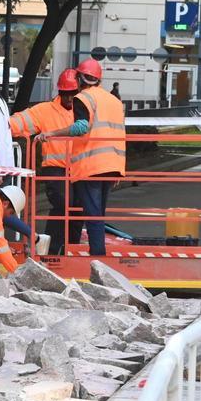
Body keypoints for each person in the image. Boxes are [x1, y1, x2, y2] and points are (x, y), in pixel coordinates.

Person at [56, 58, 125, 256]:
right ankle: (98, 256)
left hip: (91, 166)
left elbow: (81, 127)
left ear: (80, 78)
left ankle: (97, 258)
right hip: (113, 164)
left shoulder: (83, 98)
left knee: (93, 215)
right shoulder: (113, 100)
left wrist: (52, 134)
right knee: (98, 214)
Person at [9, 68, 80, 255]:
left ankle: (71, 249)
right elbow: (20, 121)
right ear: (60, 92)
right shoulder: (45, 110)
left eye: (73, 93)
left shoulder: (84, 110)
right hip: (55, 169)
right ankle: (51, 250)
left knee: (78, 209)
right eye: (66, 93)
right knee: (63, 205)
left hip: (79, 169)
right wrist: (0, 125)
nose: (70, 98)